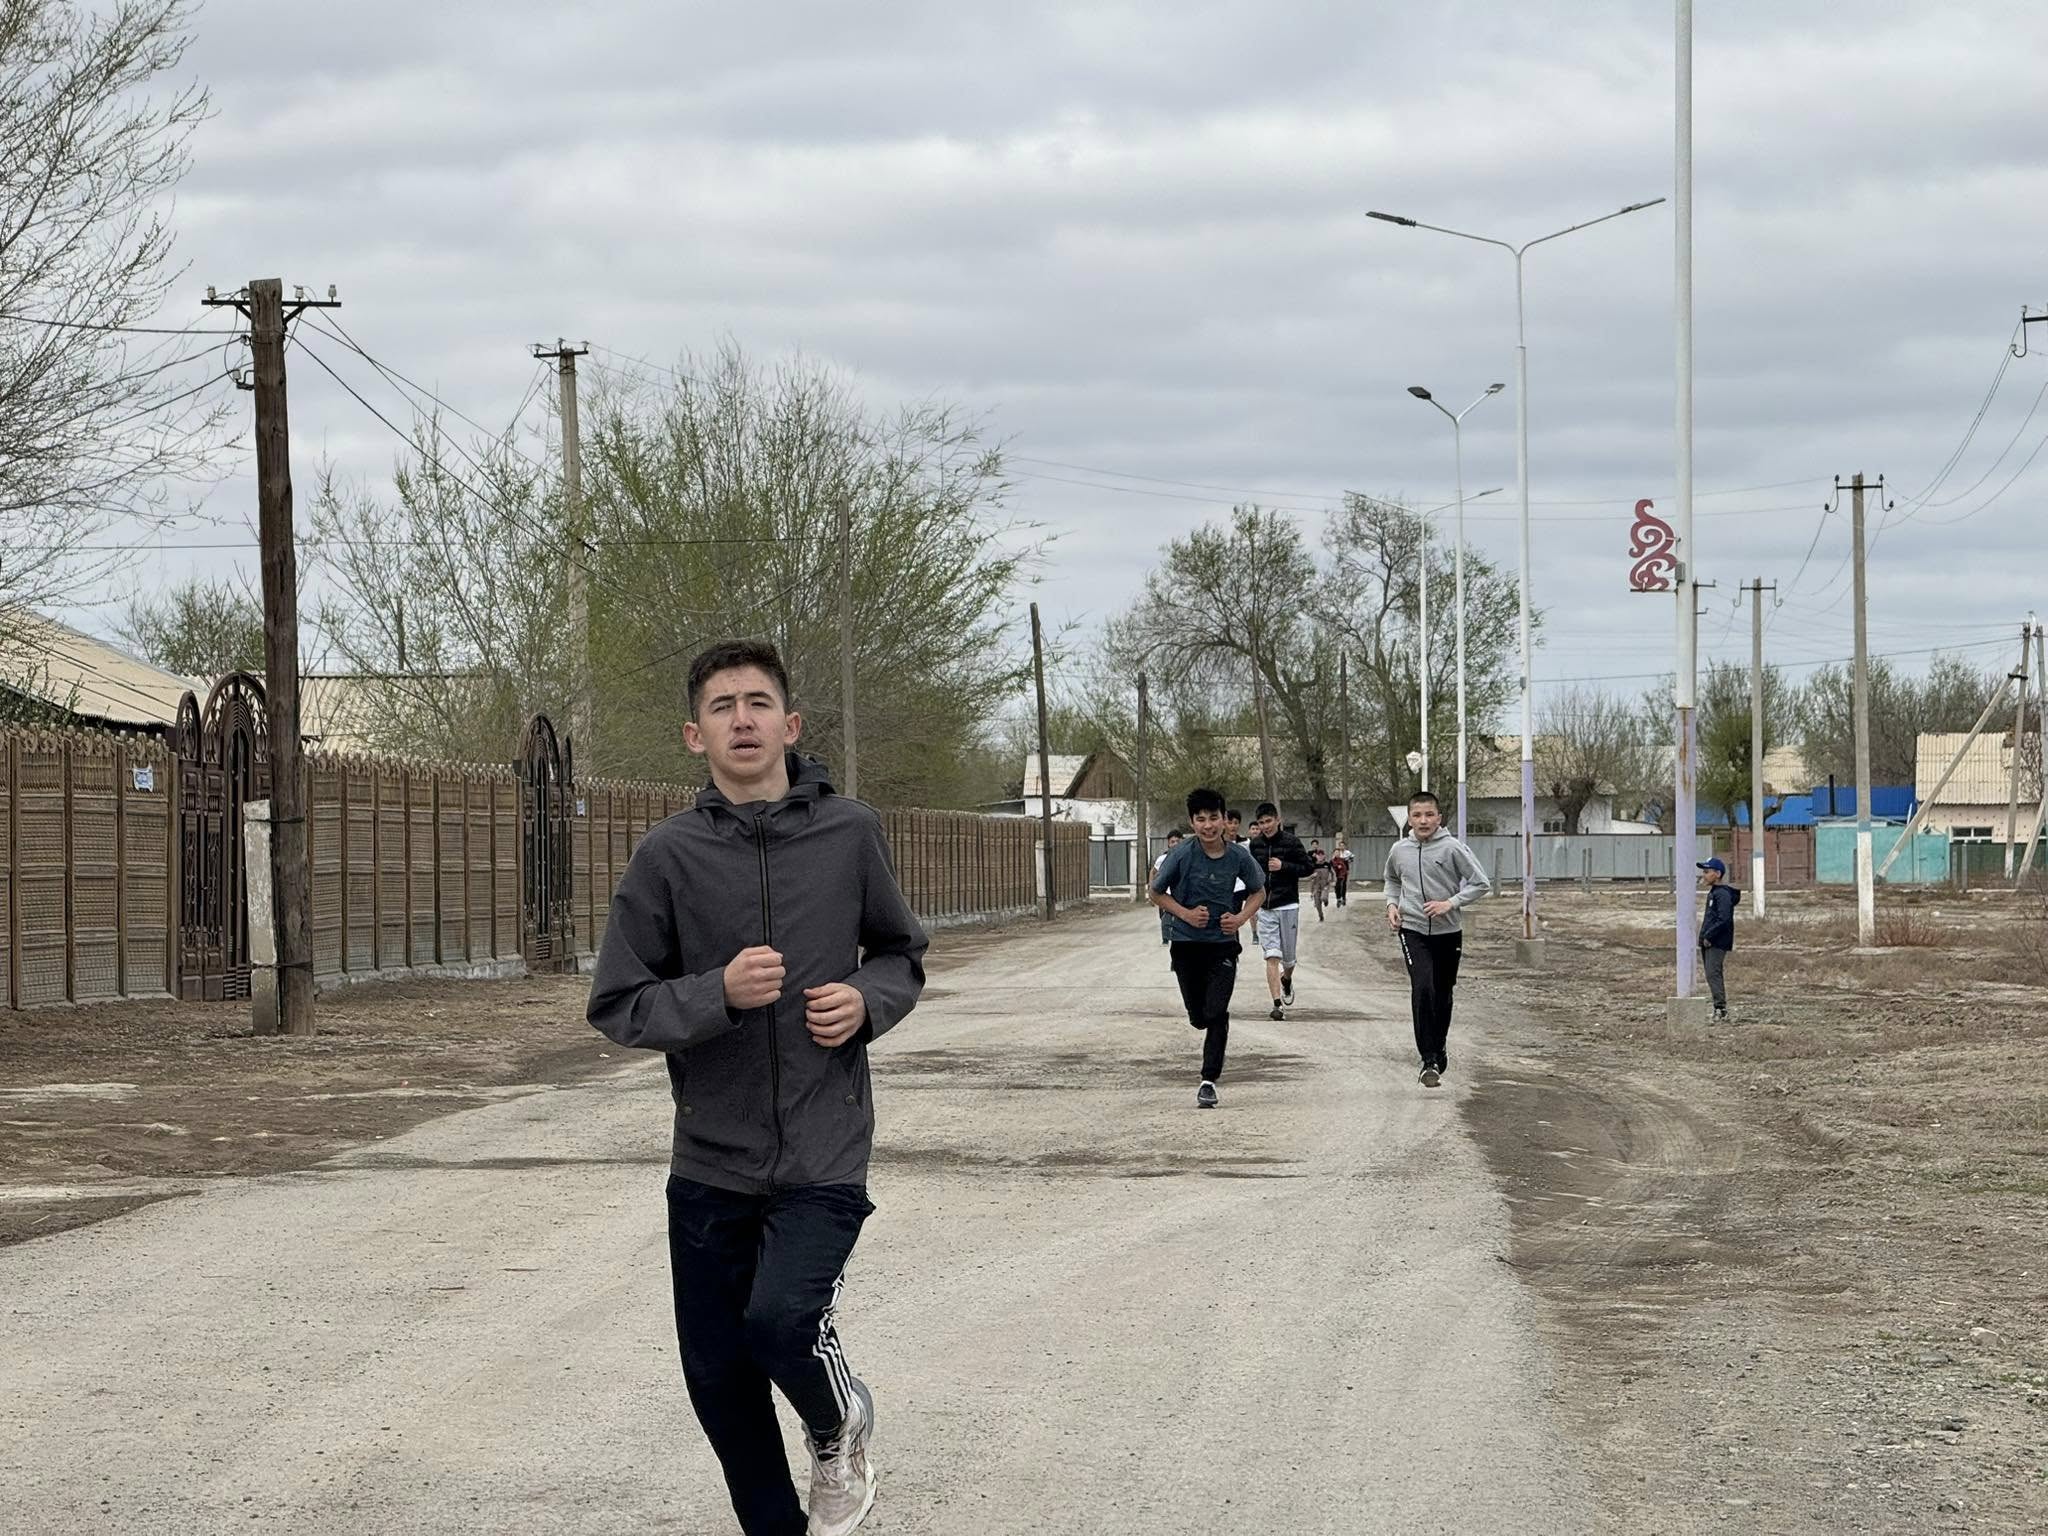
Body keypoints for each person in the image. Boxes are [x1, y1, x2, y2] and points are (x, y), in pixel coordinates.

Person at [588, 638, 928, 1536]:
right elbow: (617, 1002)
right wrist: (718, 994)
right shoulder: (667, 855)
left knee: (781, 1323)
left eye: (758, 703)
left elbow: (902, 955)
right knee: (721, 1381)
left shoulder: (850, 833)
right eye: (721, 707)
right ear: (693, 734)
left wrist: (866, 1000)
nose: (741, 719)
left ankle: (837, 1419)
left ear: (791, 723)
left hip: (824, 1145)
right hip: (711, 1158)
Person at [1150, 787, 1265, 1109]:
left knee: (1217, 1012)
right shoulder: (1181, 855)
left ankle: (1208, 1080)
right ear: (1192, 822)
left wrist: (1240, 918)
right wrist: (1185, 913)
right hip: (1186, 945)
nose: (1208, 825)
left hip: (1222, 946)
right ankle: (1202, 1024)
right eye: (1200, 819)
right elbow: (1156, 893)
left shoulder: (1238, 856)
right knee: (1199, 1017)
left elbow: (1258, 891)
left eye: (1214, 818)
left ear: (1225, 820)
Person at [1384, 791, 1489, 1089]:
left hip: (1448, 932)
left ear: (1439, 818)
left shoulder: (1452, 848)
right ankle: (1428, 1059)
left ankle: (1439, 1045)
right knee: (1423, 987)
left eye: (1429, 814)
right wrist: (1392, 905)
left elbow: (1481, 883)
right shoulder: (1399, 850)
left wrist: (1450, 903)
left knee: (1442, 993)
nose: (1423, 820)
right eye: (1417, 815)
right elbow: (1391, 880)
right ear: (1409, 819)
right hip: (1412, 929)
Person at [1248, 803, 1315, 1019]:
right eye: (1261, 823)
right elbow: (1252, 873)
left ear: (1278, 820)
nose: (1265, 826)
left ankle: (1286, 979)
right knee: (1271, 955)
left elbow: (1308, 868)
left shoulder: (1291, 842)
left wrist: (1283, 866)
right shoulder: (1255, 845)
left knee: (1288, 959)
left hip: (1287, 905)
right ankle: (1277, 1005)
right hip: (1265, 907)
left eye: (1269, 821)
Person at [1697, 856, 1741, 1020]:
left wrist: (1709, 935)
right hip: (1709, 940)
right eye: (1704, 872)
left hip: (1717, 941)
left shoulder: (1722, 894)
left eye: (1707, 872)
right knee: (1712, 973)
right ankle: (1719, 1008)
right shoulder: (1714, 893)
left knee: (1713, 973)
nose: (1704, 875)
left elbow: (1724, 919)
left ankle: (1720, 1009)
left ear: (1717, 874)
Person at [1151, 829, 1184, 945]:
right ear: (1168, 844)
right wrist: (1152, 889)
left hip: (1180, 893)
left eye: (1177, 841)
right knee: (1165, 916)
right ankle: (1165, 938)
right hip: (1165, 893)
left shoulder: (1187, 857)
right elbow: (1153, 872)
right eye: (1172, 842)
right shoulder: (1162, 859)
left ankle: (1178, 936)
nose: (1175, 844)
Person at [1308, 841, 1332, 921]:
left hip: (1325, 884)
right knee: (1317, 903)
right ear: (1316, 856)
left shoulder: (1327, 864)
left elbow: (1332, 873)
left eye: (1322, 855)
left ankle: (1326, 901)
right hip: (1316, 885)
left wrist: (1331, 879)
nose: (1320, 856)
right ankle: (1321, 916)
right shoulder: (1313, 865)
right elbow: (1309, 878)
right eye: (1319, 855)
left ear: (1324, 856)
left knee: (1323, 897)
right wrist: (1312, 876)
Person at [1331, 840, 1353, 908]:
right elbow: (1332, 863)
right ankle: (1339, 898)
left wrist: (1347, 868)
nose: (1341, 847)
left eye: (1343, 845)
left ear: (1345, 846)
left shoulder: (1347, 853)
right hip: (1336, 872)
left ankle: (1343, 897)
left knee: (1343, 885)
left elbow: (1350, 860)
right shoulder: (1337, 853)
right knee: (1337, 886)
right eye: (1340, 846)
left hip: (1344, 871)